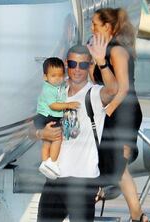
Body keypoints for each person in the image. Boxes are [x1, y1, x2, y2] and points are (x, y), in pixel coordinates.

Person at [35, 44, 117, 222]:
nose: (77, 69)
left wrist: (102, 62)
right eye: (72, 64)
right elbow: (33, 125)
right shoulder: (55, 94)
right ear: (66, 65)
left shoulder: (93, 94)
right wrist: (41, 134)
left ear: (89, 66)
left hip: (83, 180)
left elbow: (112, 90)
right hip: (55, 178)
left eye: (83, 65)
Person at [86, 7, 146, 222]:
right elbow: (97, 81)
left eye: (95, 24)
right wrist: (95, 58)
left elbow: (124, 88)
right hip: (108, 111)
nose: (91, 27)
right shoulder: (102, 50)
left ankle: (138, 216)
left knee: (120, 167)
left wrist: (108, 110)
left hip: (123, 112)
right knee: (104, 160)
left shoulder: (118, 51)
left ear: (108, 27)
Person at [34, 57, 80, 179]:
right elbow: (53, 106)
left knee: (47, 141)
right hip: (47, 116)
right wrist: (68, 105)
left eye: (60, 75)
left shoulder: (58, 84)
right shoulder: (48, 89)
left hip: (48, 116)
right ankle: (52, 163)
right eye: (53, 76)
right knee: (57, 139)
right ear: (45, 77)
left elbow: (67, 81)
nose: (58, 78)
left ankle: (45, 162)